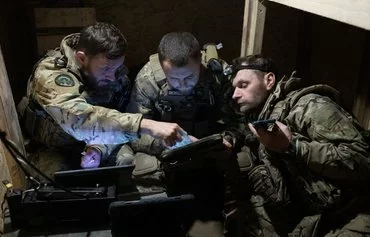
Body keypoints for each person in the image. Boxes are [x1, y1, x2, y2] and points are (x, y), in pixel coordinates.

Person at [223, 54, 370, 236]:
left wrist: (293, 146)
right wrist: (229, 139)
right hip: (312, 217)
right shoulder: (260, 117)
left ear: (269, 81)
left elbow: (363, 159)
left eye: (243, 85)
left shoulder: (308, 107)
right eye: (234, 88)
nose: (235, 94)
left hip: (353, 213)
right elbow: (241, 131)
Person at [17, 22, 185, 176]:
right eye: (106, 69)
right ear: (81, 58)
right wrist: (146, 125)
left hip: (104, 144)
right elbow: (79, 119)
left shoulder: (115, 75)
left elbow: (119, 124)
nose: (113, 77)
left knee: (132, 167)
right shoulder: (50, 75)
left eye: (117, 68)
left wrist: (99, 148)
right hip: (55, 149)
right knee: (59, 185)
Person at [125, 32, 232, 236]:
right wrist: (166, 143)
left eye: (190, 77)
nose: (183, 85)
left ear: (200, 61)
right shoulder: (148, 79)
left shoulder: (217, 74)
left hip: (207, 148)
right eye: (173, 78)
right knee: (141, 167)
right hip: (165, 151)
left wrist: (228, 140)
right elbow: (134, 130)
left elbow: (237, 119)